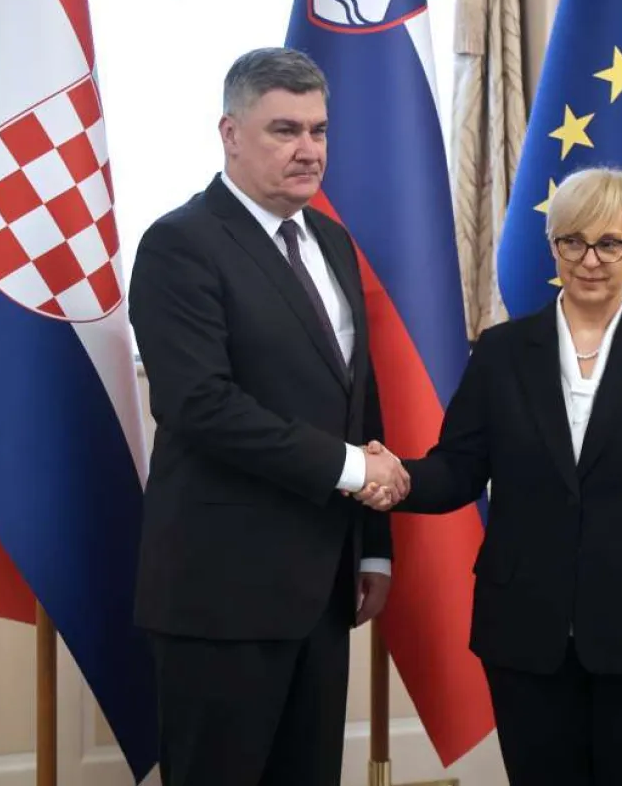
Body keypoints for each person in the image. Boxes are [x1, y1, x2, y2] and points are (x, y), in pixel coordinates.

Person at [357, 167, 622, 785]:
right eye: (572, 241)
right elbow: (457, 469)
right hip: (525, 634)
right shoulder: (502, 351)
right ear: (552, 245)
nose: (590, 260)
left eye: (609, 244)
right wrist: (396, 478)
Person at [128, 47, 410, 786]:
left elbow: (356, 398)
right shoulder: (179, 244)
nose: (308, 149)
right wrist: (352, 470)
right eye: (285, 130)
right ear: (229, 133)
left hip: (324, 588)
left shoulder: (333, 242)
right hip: (220, 596)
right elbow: (199, 404)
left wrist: (373, 547)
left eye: (319, 130)